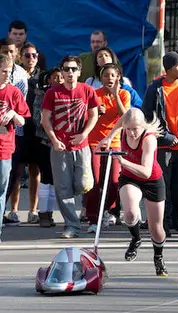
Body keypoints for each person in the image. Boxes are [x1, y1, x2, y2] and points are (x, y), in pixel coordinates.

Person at [98, 108, 168, 276]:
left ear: (142, 125)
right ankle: (136, 238)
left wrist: (122, 161)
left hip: (151, 180)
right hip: (130, 178)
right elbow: (122, 119)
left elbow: (145, 171)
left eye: (135, 129)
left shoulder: (148, 139)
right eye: (127, 129)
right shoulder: (125, 127)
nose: (131, 133)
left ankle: (158, 256)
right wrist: (109, 137)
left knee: (156, 227)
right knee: (129, 213)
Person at [41, 55, 99, 239]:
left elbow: (94, 115)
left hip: (81, 146)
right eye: (66, 69)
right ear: (62, 71)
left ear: (79, 72)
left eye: (73, 69)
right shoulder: (53, 93)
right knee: (63, 188)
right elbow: (45, 119)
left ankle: (79, 213)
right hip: (60, 148)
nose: (70, 73)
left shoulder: (88, 90)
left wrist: (84, 134)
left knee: (84, 184)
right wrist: (54, 140)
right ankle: (72, 226)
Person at [142, 51, 178, 236]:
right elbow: (148, 117)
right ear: (168, 68)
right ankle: (164, 221)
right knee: (163, 185)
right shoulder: (155, 88)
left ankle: (176, 216)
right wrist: (166, 136)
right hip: (162, 146)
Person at [86, 63, 130, 234]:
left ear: (118, 77)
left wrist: (115, 96)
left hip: (115, 142)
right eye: (106, 75)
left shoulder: (124, 94)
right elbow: (86, 116)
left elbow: (126, 118)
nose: (109, 78)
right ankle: (92, 218)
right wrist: (97, 111)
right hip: (94, 142)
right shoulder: (94, 95)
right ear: (101, 78)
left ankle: (106, 210)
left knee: (113, 182)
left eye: (113, 75)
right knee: (94, 182)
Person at [8, 42, 42, 225]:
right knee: (17, 171)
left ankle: (33, 210)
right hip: (18, 127)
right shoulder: (14, 74)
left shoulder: (42, 76)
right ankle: (13, 210)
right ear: (20, 57)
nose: (31, 58)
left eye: (34, 55)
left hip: (35, 128)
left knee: (35, 170)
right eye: (27, 55)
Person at [0, 53, 30, 243]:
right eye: (3, 71)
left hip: (4, 147)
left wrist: (12, 113)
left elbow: (23, 120)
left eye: (9, 71)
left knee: (1, 189)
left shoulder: (13, 92)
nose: (6, 75)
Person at [33, 67, 62, 228]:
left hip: (63, 142)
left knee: (57, 180)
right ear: (48, 80)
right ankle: (43, 214)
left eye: (61, 77)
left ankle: (50, 214)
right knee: (46, 178)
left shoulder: (67, 94)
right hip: (45, 142)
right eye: (55, 77)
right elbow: (38, 119)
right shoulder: (41, 95)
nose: (59, 80)